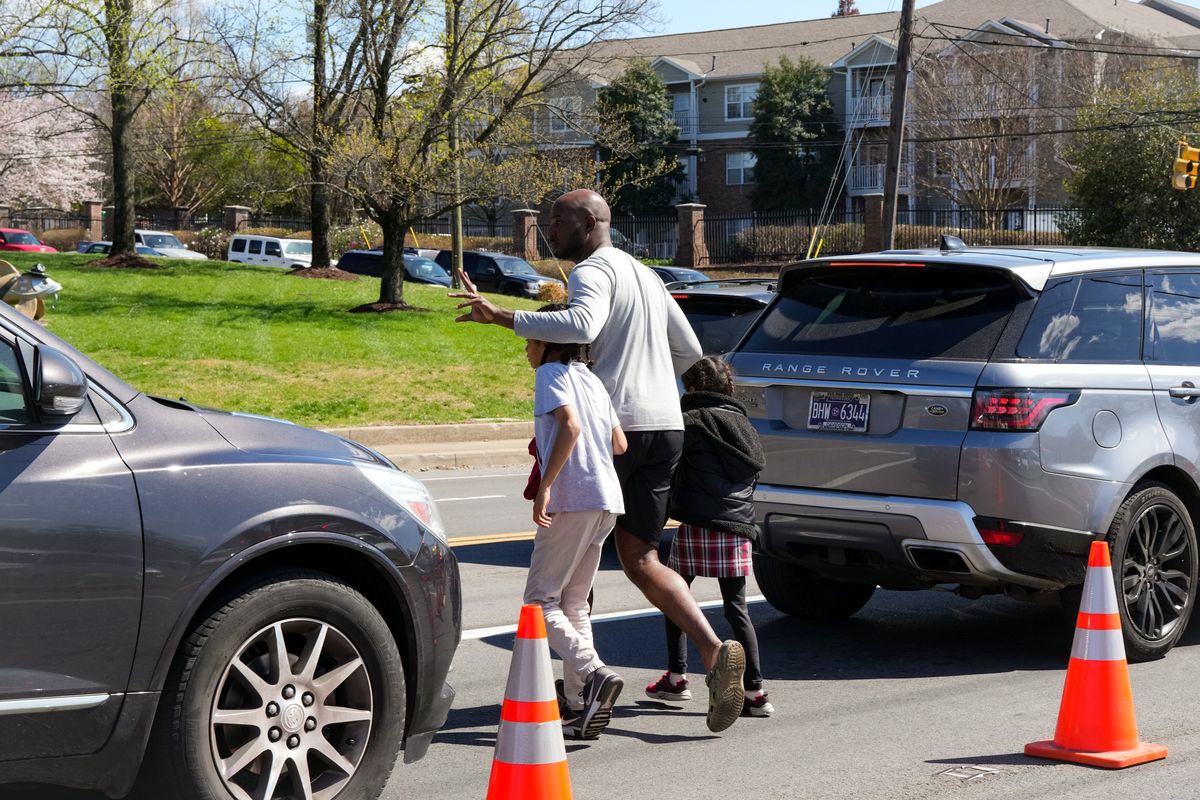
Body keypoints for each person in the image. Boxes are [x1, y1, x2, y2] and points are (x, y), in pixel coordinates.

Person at [454, 188, 747, 733]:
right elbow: (688, 351)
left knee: (572, 559)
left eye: (557, 220)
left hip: (613, 429)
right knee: (639, 559)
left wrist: (503, 317)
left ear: (589, 223)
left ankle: (582, 685)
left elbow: (584, 326)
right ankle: (711, 652)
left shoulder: (593, 271)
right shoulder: (649, 276)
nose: (549, 228)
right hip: (665, 427)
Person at [522, 303, 628, 740]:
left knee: (539, 602)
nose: (526, 349)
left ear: (547, 341)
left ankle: (594, 672)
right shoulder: (592, 380)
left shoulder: (550, 375)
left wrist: (547, 483)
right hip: (606, 499)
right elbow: (619, 443)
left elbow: (570, 427)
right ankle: (581, 703)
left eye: (529, 341)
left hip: (573, 496)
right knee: (573, 604)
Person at [645, 356, 773, 717]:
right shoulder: (743, 424)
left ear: (692, 385)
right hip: (737, 527)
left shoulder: (691, 421)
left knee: (673, 596)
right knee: (737, 609)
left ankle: (676, 677)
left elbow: (669, 468)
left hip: (699, 522)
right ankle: (756, 693)